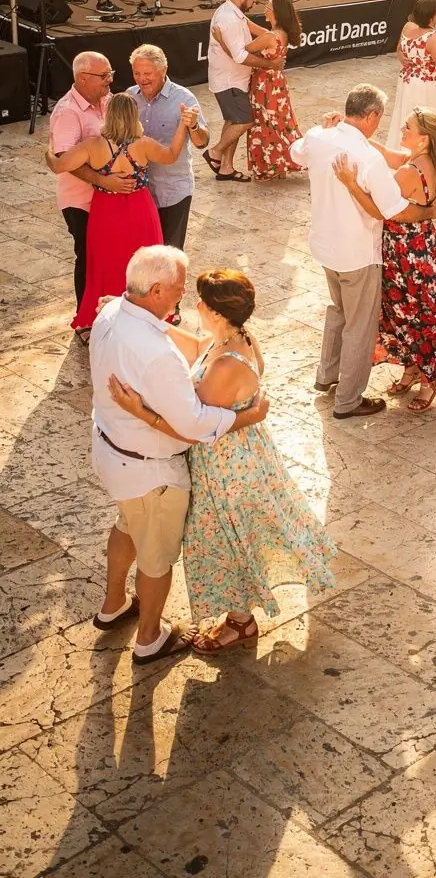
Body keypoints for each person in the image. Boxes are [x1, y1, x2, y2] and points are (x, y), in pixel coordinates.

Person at [108, 267, 337, 653]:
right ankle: (239, 615)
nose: (194, 304)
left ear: (216, 312)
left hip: (227, 467)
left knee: (228, 538)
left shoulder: (228, 364)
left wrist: (140, 411)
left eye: (201, 300)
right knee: (235, 535)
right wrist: (152, 325)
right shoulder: (233, 337)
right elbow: (199, 347)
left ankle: (241, 623)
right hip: (239, 455)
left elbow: (196, 428)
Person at [89, 246, 268, 664]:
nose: (184, 298)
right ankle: (151, 637)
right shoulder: (159, 351)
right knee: (156, 559)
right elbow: (194, 426)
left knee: (127, 526)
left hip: (113, 452)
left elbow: (195, 349)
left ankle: (113, 604)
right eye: (178, 289)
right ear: (153, 290)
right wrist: (250, 417)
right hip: (149, 470)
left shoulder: (111, 313)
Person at [289, 84, 436, 419]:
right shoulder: (368, 159)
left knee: (337, 311)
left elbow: (294, 153)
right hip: (357, 252)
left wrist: (322, 129)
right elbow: (394, 210)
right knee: (359, 325)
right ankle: (348, 401)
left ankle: (326, 376)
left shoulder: (318, 136)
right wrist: (429, 212)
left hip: (324, 246)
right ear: (371, 116)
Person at [334, 107, 436, 412]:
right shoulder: (424, 159)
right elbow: (390, 154)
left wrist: (350, 183)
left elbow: (381, 210)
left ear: (423, 139)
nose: (402, 132)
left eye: (407, 129)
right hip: (422, 246)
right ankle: (411, 370)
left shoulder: (410, 173)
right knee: (405, 312)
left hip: (406, 254)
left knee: (417, 314)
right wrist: (356, 134)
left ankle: (429, 381)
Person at [46, 93, 194, 332]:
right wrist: (183, 126)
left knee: (105, 265)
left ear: (109, 115)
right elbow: (171, 155)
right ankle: (147, 315)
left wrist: (49, 148)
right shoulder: (144, 144)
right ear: (134, 116)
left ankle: (105, 317)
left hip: (106, 212)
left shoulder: (93, 146)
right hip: (141, 210)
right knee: (147, 266)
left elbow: (58, 166)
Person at [49, 51, 130, 337]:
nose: (110, 80)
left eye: (110, 74)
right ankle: (84, 321)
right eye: (104, 75)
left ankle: (110, 312)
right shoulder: (67, 112)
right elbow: (63, 160)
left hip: (108, 201)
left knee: (107, 255)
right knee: (87, 256)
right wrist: (102, 181)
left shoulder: (109, 101)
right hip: (80, 200)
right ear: (82, 78)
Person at [127, 44, 208, 250]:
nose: (141, 78)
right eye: (137, 73)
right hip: (139, 192)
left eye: (147, 73)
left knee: (170, 253)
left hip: (173, 190)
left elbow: (202, 142)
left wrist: (194, 125)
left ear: (163, 71)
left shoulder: (184, 98)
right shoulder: (129, 97)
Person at [204, 0, 276, 183]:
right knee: (245, 120)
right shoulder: (231, 19)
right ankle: (215, 153)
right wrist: (271, 64)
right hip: (229, 81)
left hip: (231, 80)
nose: (255, 5)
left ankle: (226, 168)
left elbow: (250, 26)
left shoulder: (232, 11)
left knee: (232, 121)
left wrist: (274, 35)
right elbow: (240, 56)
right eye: (253, 0)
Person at [386, 0, 436, 169]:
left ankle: (404, 158)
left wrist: (401, 56)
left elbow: (399, 48)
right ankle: (433, 163)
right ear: (431, 16)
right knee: (431, 123)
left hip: (409, 83)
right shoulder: (433, 37)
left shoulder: (407, 27)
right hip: (430, 86)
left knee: (406, 117)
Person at [240, 0, 304, 180]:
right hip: (276, 83)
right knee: (280, 122)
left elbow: (243, 50)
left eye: (267, 6)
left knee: (265, 122)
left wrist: (221, 39)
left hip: (264, 85)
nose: (264, 9)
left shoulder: (269, 36)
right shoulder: (281, 33)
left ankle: (270, 166)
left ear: (275, 12)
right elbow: (255, 28)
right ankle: (281, 164)